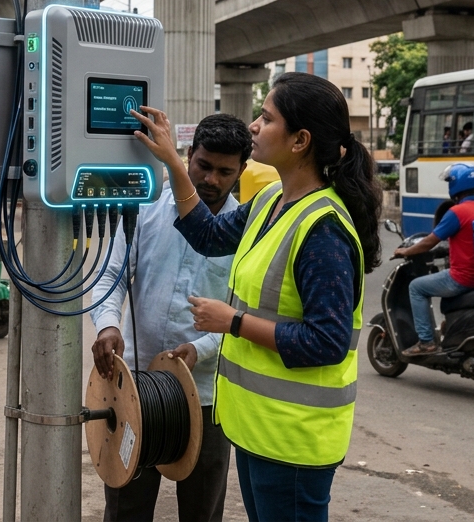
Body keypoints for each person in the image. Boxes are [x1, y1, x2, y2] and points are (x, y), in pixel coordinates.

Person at [130, 73, 384, 522]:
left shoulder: (322, 228)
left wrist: (233, 322)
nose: (253, 126)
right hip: (255, 427)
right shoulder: (271, 200)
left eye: (266, 118)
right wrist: (173, 161)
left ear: (300, 140)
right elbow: (207, 235)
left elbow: (327, 341)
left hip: (293, 440)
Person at [91, 113, 251, 522]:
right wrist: (108, 324)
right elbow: (112, 273)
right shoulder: (145, 208)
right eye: (203, 165)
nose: (211, 179)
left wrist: (200, 349)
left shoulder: (249, 231)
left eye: (224, 171)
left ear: (241, 171)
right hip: (135, 390)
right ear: (187, 155)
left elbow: (246, 317)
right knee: (125, 508)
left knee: (201, 512)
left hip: (208, 398)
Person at [392, 163, 474, 356]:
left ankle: (426, 341)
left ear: (456, 186)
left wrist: (406, 252)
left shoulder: (457, 212)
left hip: (462, 278)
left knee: (416, 287)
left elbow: (430, 242)